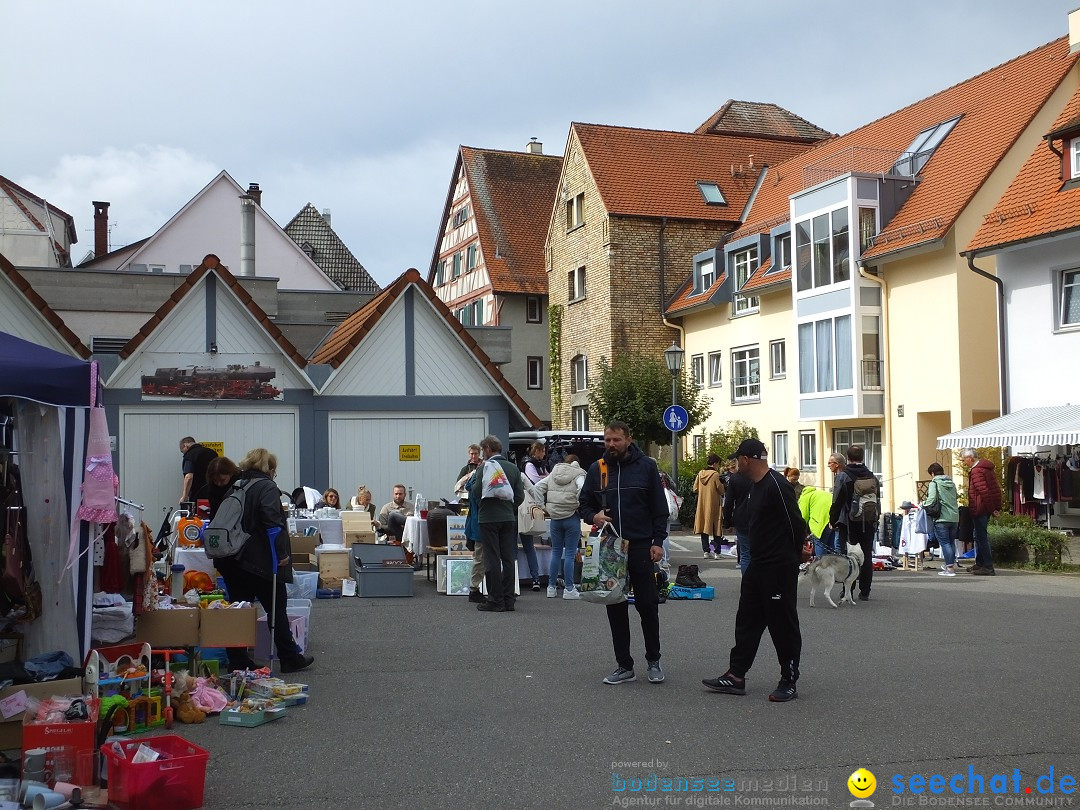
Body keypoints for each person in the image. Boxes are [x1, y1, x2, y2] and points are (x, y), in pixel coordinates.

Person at [702, 438, 805, 703]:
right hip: (757, 566)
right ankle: (736, 675)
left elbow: (795, 522)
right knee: (746, 621)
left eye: (737, 461)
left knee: (782, 624)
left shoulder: (776, 485)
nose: (735, 466)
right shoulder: (753, 486)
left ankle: (789, 679)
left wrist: (795, 554)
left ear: (747, 460)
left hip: (778, 568)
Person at [579, 421, 668, 686]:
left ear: (629, 439)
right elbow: (582, 505)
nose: (611, 445)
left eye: (616, 440)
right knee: (615, 605)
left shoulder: (647, 467)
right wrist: (593, 515)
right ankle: (624, 665)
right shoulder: (598, 469)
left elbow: (659, 509)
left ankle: (653, 660)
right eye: (607, 440)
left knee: (648, 605)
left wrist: (658, 541)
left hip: (641, 545)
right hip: (611, 548)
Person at [216, 448, 313, 674]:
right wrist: (281, 555)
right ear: (269, 469)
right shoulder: (267, 487)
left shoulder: (237, 485)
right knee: (276, 607)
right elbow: (272, 522)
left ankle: (238, 659)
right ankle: (289, 657)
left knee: (240, 609)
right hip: (259, 559)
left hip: (234, 558)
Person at [470, 435, 524, 612]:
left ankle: (495, 600)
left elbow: (477, 492)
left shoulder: (485, 467)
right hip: (508, 519)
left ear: (487, 449)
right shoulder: (513, 468)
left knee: (492, 559)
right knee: (508, 559)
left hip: (488, 519)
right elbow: (520, 496)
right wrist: (509, 507)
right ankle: (509, 600)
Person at [828, 445, 879, 601]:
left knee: (848, 556)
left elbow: (837, 500)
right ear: (862, 457)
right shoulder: (871, 475)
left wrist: (833, 520)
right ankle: (865, 590)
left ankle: (848, 588)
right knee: (867, 555)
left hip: (849, 522)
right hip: (869, 521)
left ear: (847, 458)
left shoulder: (844, 476)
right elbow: (877, 499)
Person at [532, 453, 585, 600]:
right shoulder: (579, 474)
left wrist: (542, 507)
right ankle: (569, 588)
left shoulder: (554, 473)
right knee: (569, 553)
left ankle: (551, 587)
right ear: (577, 464)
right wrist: (580, 504)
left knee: (555, 552)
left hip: (555, 518)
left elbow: (537, 487)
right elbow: (582, 488)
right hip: (571, 517)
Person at [961, 448, 1002, 575]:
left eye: (964, 459)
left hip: (980, 508)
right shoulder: (986, 468)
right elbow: (994, 489)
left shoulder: (976, 471)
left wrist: (992, 509)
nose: (964, 462)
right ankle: (980, 563)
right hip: (984, 507)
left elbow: (984, 491)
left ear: (970, 458)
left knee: (981, 537)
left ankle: (988, 567)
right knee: (978, 536)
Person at [518, 441, 549, 591]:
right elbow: (535, 488)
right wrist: (540, 507)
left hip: (511, 515)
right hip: (525, 515)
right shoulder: (524, 473)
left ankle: (513, 580)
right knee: (529, 548)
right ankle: (535, 578)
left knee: (511, 549)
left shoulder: (505, 477)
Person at [924, 463, 960, 577]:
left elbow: (931, 499)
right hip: (954, 517)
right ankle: (951, 565)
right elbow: (956, 496)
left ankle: (949, 568)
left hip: (941, 517)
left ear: (933, 473)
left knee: (944, 543)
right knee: (951, 542)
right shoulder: (951, 483)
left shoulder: (934, 483)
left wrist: (922, 504)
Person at [722, 459, 752, 572]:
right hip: (758, 518)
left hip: (741, 518)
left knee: (745, 554)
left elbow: (729, 502)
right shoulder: (758, 476)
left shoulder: (735, 478)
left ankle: (747, 583)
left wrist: (727, 522)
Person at [693, 454, 725, 559]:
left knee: (704, 526)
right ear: (715, 463)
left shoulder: (700, 473)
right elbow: (721, 490)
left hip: (702, 504)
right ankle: (717, 552)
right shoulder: (715, 475)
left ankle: (706, 551)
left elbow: (695, 489)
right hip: (714, 504)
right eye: (718, 464)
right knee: (716, 527)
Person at [798, 484, 833, 559]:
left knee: (820, 544)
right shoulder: (820, 493)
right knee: (831, 547)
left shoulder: (805, 497)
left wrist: (803, 533)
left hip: (820, 522)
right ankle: (834, 567)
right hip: (834, 519)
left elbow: (803, 517)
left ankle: (821, 567)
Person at [178, 437, 217, 504]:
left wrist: (184, 497)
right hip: (214, 493)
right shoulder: (212, 453)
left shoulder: (190, 455)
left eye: (182, 451)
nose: (183, 454)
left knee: (199, 513)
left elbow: (189, 477)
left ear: (185, 445)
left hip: (198, 495)